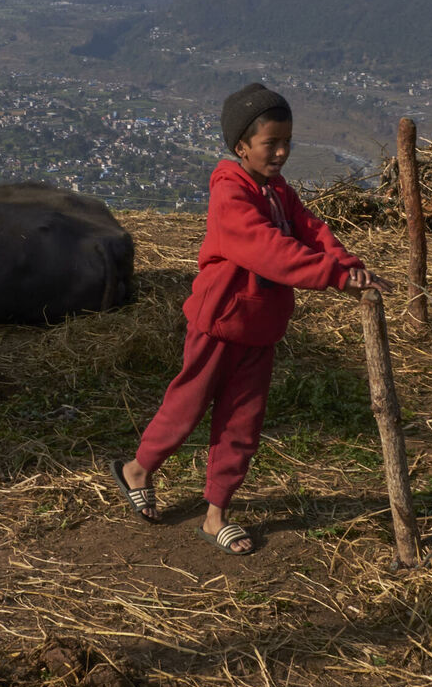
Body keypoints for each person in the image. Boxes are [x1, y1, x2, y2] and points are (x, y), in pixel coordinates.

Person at [107, 82, 387, 555]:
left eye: (287, 142)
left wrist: (349, 265)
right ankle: (138, 469)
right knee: (188, 406)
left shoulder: (279, 191)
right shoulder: (230, 194)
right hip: (218, 324)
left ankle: (216, 515)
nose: (281, 152)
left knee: (242, 423)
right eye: (270, 143)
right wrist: (334, 277)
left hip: (261, 329)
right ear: (241, 147)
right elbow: (269, 251)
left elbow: (313, 231)